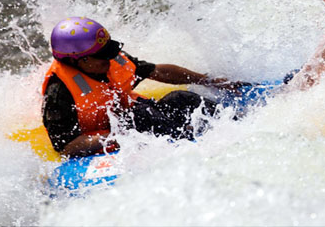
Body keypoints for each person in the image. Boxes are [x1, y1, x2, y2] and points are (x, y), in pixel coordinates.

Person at [42, 17, 244, 157]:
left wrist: (208, 80)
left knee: (180, 98)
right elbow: (66, 147)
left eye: (109, 50)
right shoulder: (59, 92)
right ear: (80, 61)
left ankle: (240, 122)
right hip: (112, 132)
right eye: (102, 55)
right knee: (140, 115)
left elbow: (159, 72)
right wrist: (120, 135)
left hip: (139, 115)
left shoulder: (112, 59)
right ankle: (190, 143)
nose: (110, 57)